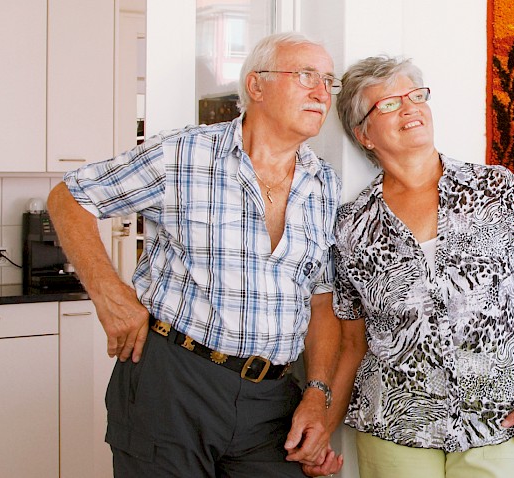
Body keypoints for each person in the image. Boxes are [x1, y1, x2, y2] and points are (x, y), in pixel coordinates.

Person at [47, 32, 344, 477]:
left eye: (328, 80)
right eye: (305, 76)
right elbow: (70, 197)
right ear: (256, 86)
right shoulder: (182, 154)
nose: (321, 92)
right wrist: (109, 293)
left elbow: (321, 300)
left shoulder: (325, 184)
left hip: (271, 402)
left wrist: (318, 393)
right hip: (173, 382)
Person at [322, 55, 514, 478]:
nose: (410, 108)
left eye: (416, 96)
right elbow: (351, 343)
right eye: (389, 104)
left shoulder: (496, 189)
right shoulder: (351, 225)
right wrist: (323, 433)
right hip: (394, 422)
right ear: (363, 134)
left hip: (501, 417)